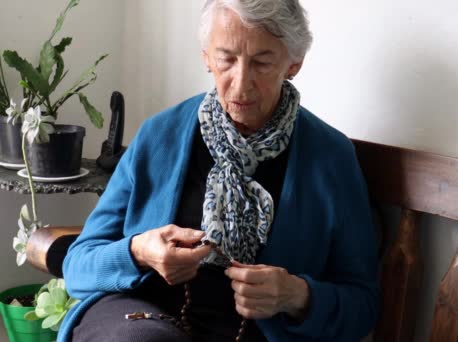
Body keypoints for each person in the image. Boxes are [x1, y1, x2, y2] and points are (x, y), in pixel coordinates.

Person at [59, 1, 379, 341]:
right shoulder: (159, 136)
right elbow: (78, 266)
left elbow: (362, 305)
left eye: (262, 62)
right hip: (141, 320)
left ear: (293, 64)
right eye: (226, 59)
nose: (241, 85)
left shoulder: (331, 159)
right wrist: (139, 252)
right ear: (206, 57)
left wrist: (295, 295)